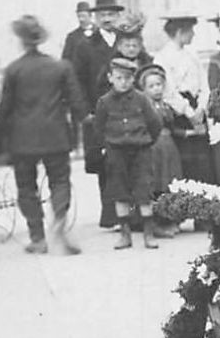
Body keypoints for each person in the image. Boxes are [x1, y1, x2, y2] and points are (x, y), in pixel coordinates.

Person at [0, 15, 86, 255]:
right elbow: (77, 103)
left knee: (26, 187)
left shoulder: (14, 69)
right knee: (60, 181)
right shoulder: (61, 67)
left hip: (22, 138)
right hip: (56, 134)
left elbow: (5, 108)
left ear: (21, 41)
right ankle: (60, 218)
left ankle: (37, 237)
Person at [90, 55, 164, 249]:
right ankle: (125, 235)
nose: (123, 83)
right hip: (116, 153)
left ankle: (149, 234)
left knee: (144, 191)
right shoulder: (104, 102)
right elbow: (98, 129)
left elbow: (155, 124)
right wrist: (108, 146)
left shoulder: (141, 99)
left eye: (127, 78)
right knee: (120, 191)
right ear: (110, 78)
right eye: (118, 78)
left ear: (133, 79)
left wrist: (146, 143)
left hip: (141, 151)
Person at [152, 13, 213, 185]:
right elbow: (168, 90)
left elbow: (204, 84)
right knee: (184, 166)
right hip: (178, 114)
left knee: (202, 165)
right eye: (190, 31)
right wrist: (189, 112)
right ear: (180, 32)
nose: (193, 35)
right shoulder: (162, 57)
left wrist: (201, 108)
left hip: (197, 110)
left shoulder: (191, 55)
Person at [139, 64, 184, 236]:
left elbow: (173, 128)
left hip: (169, 147)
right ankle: (157, 223)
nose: (156, 89)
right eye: (151, 86)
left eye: (159, 85)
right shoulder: (145, 108)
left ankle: (170, 219)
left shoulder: (166, 106)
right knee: (157, 183)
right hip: (154, 148)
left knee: (170, 183)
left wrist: (190, 132)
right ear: (144, 89)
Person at [61, 0, 95, 64]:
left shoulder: (101, 33)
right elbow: (65, 60)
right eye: (79, 16)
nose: (81, 19)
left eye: (83, 16)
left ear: (90, 16)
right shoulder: (72, 37)